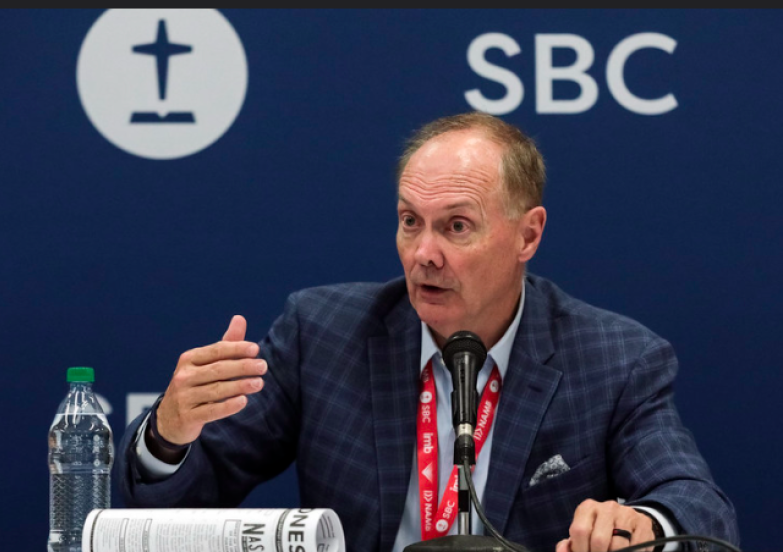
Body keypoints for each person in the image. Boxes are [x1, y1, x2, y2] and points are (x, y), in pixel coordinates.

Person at [114, 111, 739, 552]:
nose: (423, 254)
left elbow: (697, 506)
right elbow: (173, 513)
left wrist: (643, 526)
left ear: (528, 234)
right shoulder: (322, 333)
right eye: (411, 222)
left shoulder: (615, 358)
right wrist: (169, 435)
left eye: (456, 226)